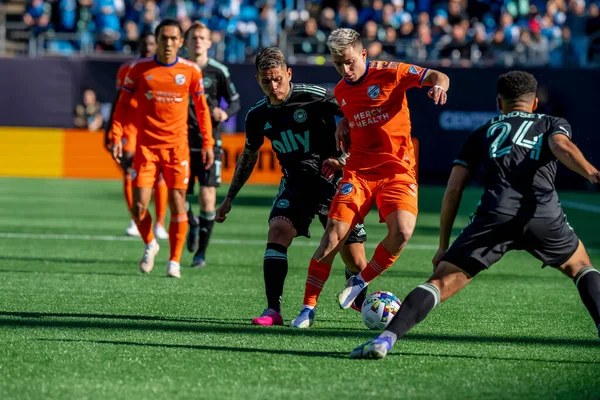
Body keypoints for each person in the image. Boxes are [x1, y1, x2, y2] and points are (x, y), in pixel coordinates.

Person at [350, 71, 600, 359]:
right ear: (533, 104)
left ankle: (385, 339)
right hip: (543, 214)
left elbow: (454, 188)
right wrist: (592, 173)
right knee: (582, 267)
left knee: (440, 283)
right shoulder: (550, 123)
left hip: (494, 215)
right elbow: (561, 146)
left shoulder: (483, 132)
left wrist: (443, 245)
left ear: (499, 103)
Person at [290, 28, 450, 328]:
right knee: (333, 235)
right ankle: (307, 309)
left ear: (363, 54)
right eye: (338, 64)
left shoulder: (391, 72)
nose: (345, 69)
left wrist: (440, 87)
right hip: (359, 173)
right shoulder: (341, 91)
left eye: (349, 61)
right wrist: (344, 132)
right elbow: (356, 121)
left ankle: (360, 281)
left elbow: (438, 76)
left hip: (397, 171)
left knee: (402, 232)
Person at [215, 46, 369, 327]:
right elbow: (248, 157)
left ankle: (359, 293)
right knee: (278, 229)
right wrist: (229, 198)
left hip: (334, 182)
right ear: (257, 79)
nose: (273, 87)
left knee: (356, 260)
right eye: (265, 81)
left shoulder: (315, 96)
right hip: (296, 184)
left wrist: (344, 158)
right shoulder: (257, 115)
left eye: (277, 79)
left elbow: (357, 115)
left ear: (289, 73)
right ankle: (273, 309)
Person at [110, 18, 214, 278]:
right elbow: (122, 105)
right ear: (155, 40)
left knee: (178, 204)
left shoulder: (191, 71)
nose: (168, 43)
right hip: (146, 149)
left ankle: (174, 261)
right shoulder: (139, 69)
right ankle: (150, 243)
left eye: (173, 38)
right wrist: (116, 134)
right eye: (163, 38)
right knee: (138, 206)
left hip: (177, 149)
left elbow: (202, 110)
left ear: (181, 42)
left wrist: (208, 142)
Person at [184, 22, 241, 268]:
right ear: (186, 42)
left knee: (208, 199)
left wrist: (225, 114)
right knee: (176, 196)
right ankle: (192, 223)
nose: (198, 41)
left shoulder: (218, 71)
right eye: (193, 37)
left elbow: (236, 102)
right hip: (180, 142)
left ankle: (200, 254)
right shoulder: (179, 70)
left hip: (210, 143)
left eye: (202, 38)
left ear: (209, 42)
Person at [106, 32, 169, 239]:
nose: (148, 47)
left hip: (155, 127)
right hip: (131, 127)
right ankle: (137, 219)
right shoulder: (127, 68)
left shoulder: (165, 68)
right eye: (145, 43)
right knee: (129, 171)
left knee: (159, 176)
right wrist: (111, 129)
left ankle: (160, 223)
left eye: (152, 43)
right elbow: (119, 99)